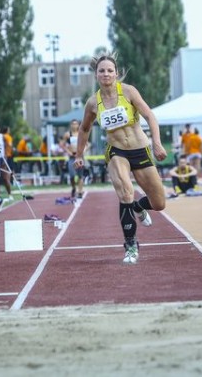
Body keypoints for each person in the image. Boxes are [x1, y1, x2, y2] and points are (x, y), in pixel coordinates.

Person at [74, 53, 167, 265]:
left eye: (109, 70)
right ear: (96, 75)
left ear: (116, 73)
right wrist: (79, 155)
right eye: (102, 70)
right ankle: (131, 245)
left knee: (159, 203)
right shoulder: (92, 103)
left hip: (140, 149)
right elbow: (84, 128)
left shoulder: (128, 91)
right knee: (126, 192)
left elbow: (150, 116)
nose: (106, 73)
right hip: (117, 151)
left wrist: (157, 143)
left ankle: (138, 207)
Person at [61, 119, 85, 199]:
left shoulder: (81, 133)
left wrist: (82, 151)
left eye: (76, 124)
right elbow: (62, 145)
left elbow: (87, 144)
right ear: (70, 125)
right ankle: (74, 187)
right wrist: (68, 152)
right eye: (73, 124)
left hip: (80, 156)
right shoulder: (67, 134)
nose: (74, 125)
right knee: (72, 175)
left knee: (80, 175)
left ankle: (80, 191)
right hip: (72, 156)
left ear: (78, 125)